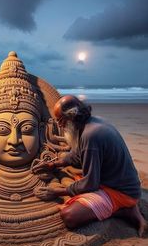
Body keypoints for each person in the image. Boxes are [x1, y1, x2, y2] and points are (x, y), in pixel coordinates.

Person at [33, 95, 147, 237]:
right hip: (120, 181)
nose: (60, 126)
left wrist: (56, 192)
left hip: (120, 192)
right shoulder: (92, 123)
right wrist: (54, 164)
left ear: (72, 117)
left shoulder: (91, 135)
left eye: (60, 121)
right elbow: (78, 153)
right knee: (69, 167)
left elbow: (91, 184)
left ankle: (125, 211)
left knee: (69, 216)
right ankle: (125, 207)